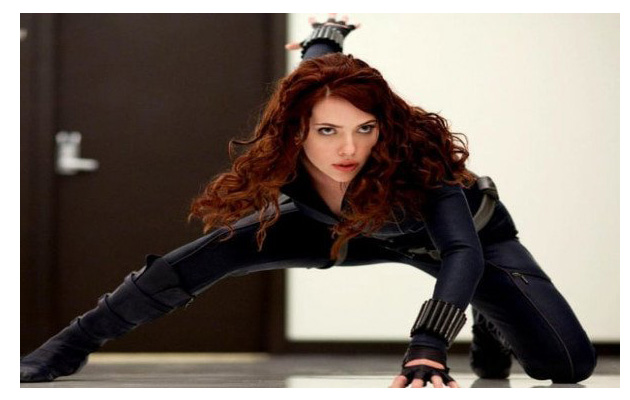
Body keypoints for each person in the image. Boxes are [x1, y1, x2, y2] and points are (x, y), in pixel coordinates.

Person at [20, 15, 596, 388]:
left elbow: (461, 252)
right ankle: (68, 346)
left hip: (470, 240)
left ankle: (491, 319)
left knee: (567, 366)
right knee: (214, 249)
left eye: (366, 129)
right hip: (343, 230)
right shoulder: (295, 132)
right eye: (327, 132)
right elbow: (317, 67)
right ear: (297, 128)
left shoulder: (419, 157)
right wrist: (327, 35)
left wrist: (428, 344)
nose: (348, 149)